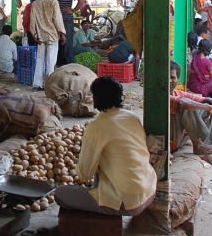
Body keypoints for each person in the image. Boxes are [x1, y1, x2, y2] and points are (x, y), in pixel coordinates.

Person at [54, 77, 156, 215]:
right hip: (150, 190)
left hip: (128, 202)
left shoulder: (96, 127)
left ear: (96, 99)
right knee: (104, 169)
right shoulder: (132, 117)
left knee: (60, 194)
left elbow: (84, 175)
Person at [170, 61, 212, 166]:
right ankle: (198, 144)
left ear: (177, 79)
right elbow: (183, 102)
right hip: (169, 141)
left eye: (173, 77)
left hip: (181, 138)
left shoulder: (178, 93)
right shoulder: (162, 95)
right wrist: (208, 107)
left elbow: (204, 99)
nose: (170, 81)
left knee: (206, 108)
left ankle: (205, 148)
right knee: (187, 105)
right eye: (167, 77)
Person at [29, 0, 66, 90]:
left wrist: (35, 35)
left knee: (40, 60)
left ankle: (37, 84)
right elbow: (58, 20)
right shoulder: (54, 2)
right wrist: (62, 33)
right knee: (51, 61)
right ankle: (49, 85)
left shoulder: (35, 4)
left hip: (41, 36)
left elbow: (32, 22)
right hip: (52, 36)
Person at [54, 0, 86, 65]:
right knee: (58, 43)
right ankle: (60, 64)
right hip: (56, 21)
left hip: (66, 20)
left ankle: (69, 64)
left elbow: (82, 0)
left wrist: (73, 10)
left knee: (67, 43)